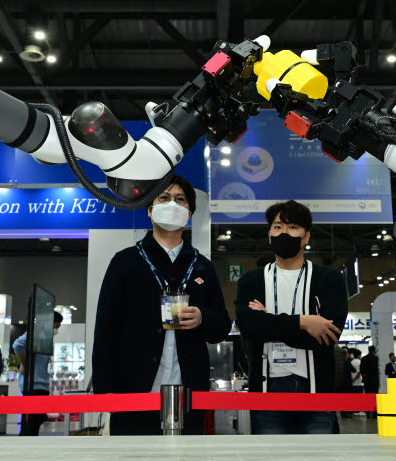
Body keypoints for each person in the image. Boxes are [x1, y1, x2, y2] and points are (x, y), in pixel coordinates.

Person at [92, 175, 231, 435]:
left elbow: (222, 327)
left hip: (189, 394)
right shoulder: (125, 262)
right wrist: (105, 389)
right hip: (134, 389)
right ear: (149, 208)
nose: (172, 204)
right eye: (164, 198)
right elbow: (105, 328)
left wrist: (202, 318)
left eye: (180, 200)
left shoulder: (202, 266)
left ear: (189, 213)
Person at [236, 200, 348, 435]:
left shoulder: (329, 279)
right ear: (269, 235)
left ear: (306, 236)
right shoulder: (252, 280)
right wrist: (305, 321)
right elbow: (249, 326)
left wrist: (269, 322)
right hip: (268, 388)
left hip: (317, 389)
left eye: (292, 227)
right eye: (277, 227)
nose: (283, 233)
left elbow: (327, 336)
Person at [12, 311, 64, 436]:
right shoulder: (35, 334)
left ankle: (28, 446)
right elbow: (17, 345)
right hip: (32, 385)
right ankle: (24, 447)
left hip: (41, 385)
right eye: (55, 327)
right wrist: (25, 364)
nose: (55, 330)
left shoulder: (44, 337)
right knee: (31, 421)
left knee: (37, 419)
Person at [360, 345, 379, 418]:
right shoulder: (375, 358)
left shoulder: (363, 358)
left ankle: (368, 413)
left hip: (367, 381)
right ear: (373, 350)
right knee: (374, 397)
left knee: (367, 396)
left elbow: (361, 369)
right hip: (374, 381)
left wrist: (364, 376)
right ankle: (374, 413)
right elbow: (375, 369)